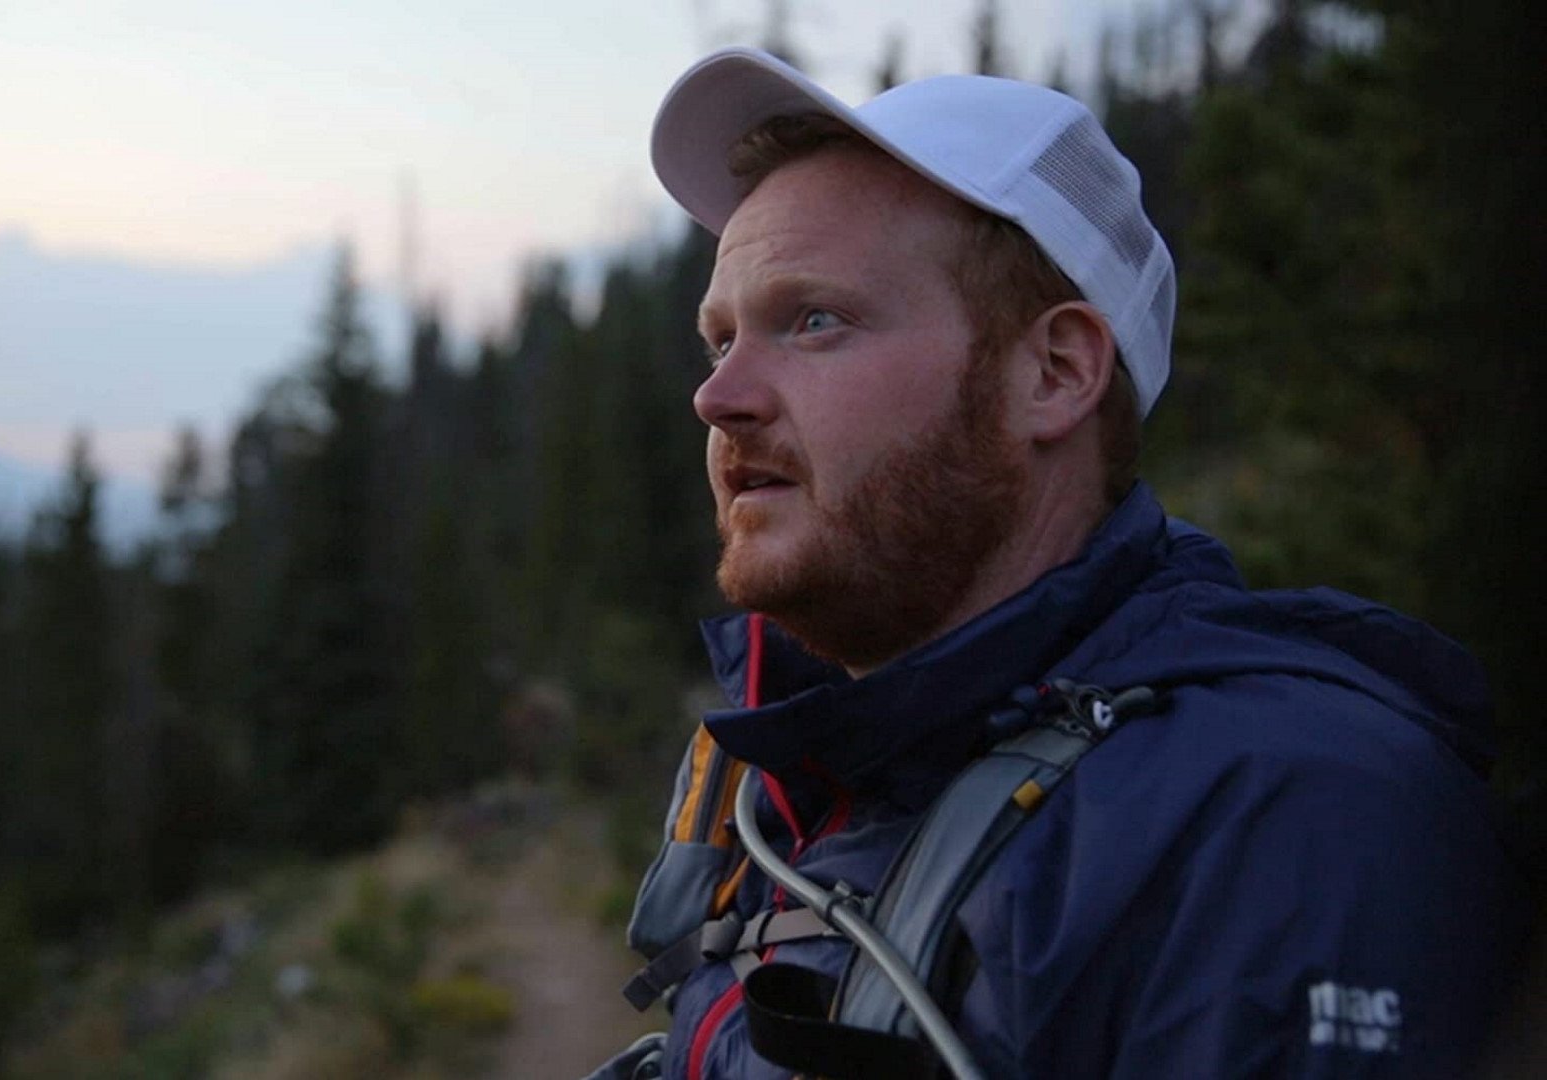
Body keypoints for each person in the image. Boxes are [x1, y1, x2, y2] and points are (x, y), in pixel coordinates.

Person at [591, 47, 1526, 1079]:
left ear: (1056, 371)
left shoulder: (1281, 822)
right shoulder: (798, 782)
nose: (717, 398)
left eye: (814, 321)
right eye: (720, 341)